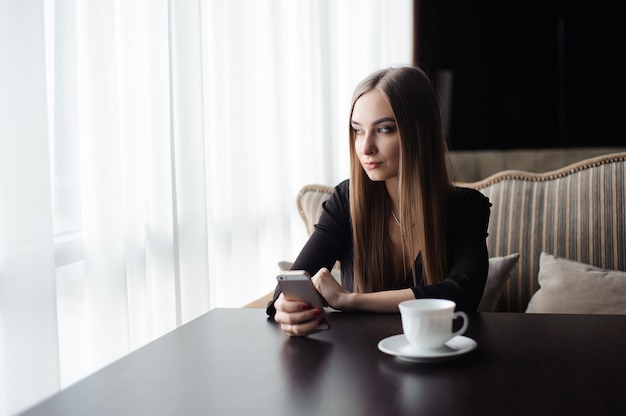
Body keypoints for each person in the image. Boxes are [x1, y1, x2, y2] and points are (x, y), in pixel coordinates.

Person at [267, 66, 491, 336]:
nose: (365, 147)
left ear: (420, 133)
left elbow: (463, 294)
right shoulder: (345, 201)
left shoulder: (466, 207)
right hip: (363, 364)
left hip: (440, 363)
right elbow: (288, 286)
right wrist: (285, 306)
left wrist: (349, 300)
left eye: (384, 129)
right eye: (358, 131)